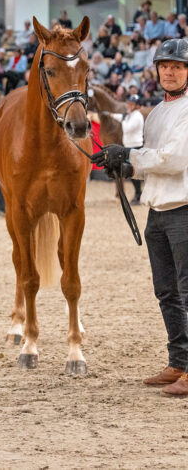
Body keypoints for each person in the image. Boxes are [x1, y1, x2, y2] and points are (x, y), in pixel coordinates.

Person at [91, 38, 188, 396]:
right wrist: (126, 168)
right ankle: (179, 362)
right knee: (166, 292)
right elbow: (153, 160)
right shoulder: (157, 112)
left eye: (177, 66)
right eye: (165, 66)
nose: (170, 72)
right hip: (157, 211)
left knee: (187, 291)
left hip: (183, 209)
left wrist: (130, 154)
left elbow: (175, 160)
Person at [106, 94, 144, 205]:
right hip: (130, 147)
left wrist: (123, 119)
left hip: (135, 147)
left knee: (134, 173)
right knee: (132, 173)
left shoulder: (137, 116)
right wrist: (111, 115)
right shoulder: (131, 115)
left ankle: (138, 195)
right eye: (129, 103)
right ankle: (138, 194)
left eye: (132, 104)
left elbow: (126, 128)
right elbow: (121, 117)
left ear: (137, 106)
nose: (129, 105)